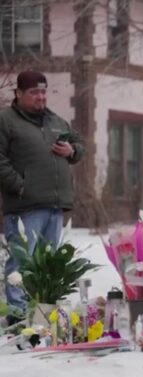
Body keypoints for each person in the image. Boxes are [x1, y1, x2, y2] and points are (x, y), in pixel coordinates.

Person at [0, 71, 84, 320]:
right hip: (25, 206)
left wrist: (72, 150)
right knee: (21, 263)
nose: (40, 97)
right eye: (34, 92)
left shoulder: (55, 121)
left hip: (54, 205)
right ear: (19, 94)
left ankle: (40, 318)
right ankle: (17, 317)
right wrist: (20, 185)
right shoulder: (6, 120)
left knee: (47, 266)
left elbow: (80, 145)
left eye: (43, 92)